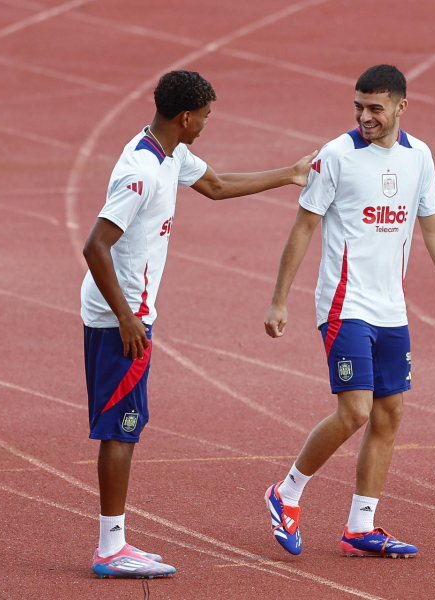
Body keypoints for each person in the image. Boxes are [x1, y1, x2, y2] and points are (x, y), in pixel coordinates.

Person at [81, 70, 316, 578]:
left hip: (131, 313)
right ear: (185, 117)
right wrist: (126, 316)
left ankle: (115, 542)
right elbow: (94, 245)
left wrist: (290, 174)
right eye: (206, 116)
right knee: (119, 430)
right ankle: (109, 549)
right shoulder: (140, 172)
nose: (208, 124)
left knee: (127, 427)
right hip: (120, 319)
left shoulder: (172, 153)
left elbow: (216, 184)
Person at [263, 64, 435, 558]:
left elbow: (434, 229)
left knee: (389, 412)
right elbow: (303, 228)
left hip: (391, 308)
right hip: (344, 302)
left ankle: (362, 526)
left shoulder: (419, 157)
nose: (365, 116)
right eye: (359, 106)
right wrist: (279, 299)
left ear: (402, 106)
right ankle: (286, 492)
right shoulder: (335, 156)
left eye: (375, 107)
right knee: (356, 409)